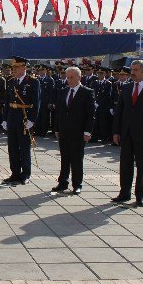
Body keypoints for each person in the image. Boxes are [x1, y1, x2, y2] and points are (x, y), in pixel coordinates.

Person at [112, 60, 143, 208]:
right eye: (132, 69)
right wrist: (116, 132)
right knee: (125, 165)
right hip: (126, 133)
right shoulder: (126, 88)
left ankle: (140, 196)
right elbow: (119, 112)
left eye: (135, 70)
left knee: (142, 167)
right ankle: (124, 193)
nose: (132, 72)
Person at [52, 66, 95, 194]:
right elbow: (59, 111)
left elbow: (91, 114)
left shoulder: (87, 92)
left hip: (78, 131)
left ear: (79, 77)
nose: (69, 80)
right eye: (67, 77)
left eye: (71, 77)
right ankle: (63, 182)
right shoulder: (64, 91)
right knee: (64, 158)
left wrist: (88, 131)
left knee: (76, 159)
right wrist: (57, 128)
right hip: (64, 131)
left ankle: (77, 184)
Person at [1, 56, 41, 185]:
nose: (14, 70)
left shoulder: (33, 82)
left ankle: (25, 174)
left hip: (24, 117)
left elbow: (36, 103)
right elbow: (7, 101)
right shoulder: (11, 81)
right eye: (13, 68)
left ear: (24, 67)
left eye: (16, 67)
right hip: (12, 117)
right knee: (12, 147)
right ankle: (15, 173)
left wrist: (32, 120)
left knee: (24, 148)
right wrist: (5, 119)